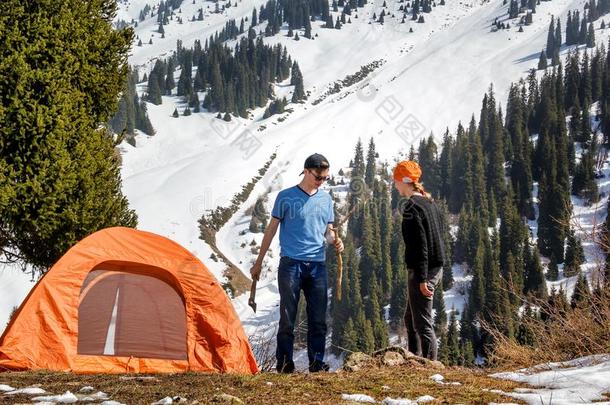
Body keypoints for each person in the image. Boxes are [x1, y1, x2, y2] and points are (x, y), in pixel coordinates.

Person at [250, 153, 344, 373]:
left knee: (318, 319)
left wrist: (335, 242)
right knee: (287, 317)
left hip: (317, 265)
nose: (321, 181)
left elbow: (328, 233)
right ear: (306, 171)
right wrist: (259, 261)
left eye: (325, 178)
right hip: (291, 264)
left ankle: (317, 363)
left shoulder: (326, 200)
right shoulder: (286, 196)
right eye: (318, 177)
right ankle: (284, 365)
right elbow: (271, 229)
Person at [393, 160, 445, 361]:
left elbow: (420, 246)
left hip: (423, 270)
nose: (395, 185)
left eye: (396, 180)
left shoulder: (411, 207)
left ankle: (429, 367)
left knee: (423, 322)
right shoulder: (428, 202)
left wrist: (422, 279)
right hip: (435, 266)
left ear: (402, 181)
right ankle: (414, 358)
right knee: (411, 317)